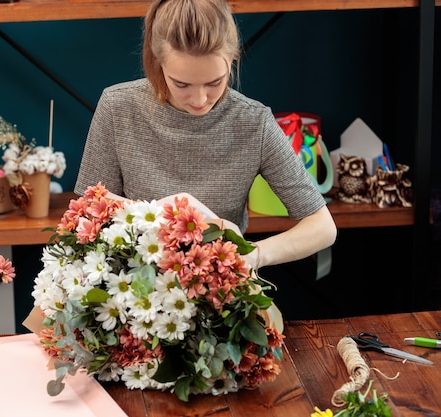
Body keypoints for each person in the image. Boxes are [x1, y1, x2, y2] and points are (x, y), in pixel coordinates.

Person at [74, 0, 336, 271]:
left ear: (232, 60)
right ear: (157, 62)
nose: (200, 100)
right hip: (134, 284)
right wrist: (163, 216)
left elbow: (323, 227)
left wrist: (254, 255)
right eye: (182, 84)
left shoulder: (254, 122)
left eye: (214, 82)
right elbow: (88, 208)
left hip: (217, 286)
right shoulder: (118, 107)